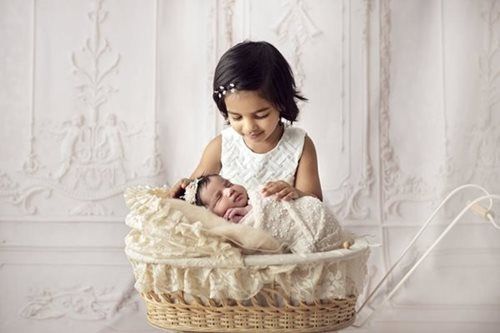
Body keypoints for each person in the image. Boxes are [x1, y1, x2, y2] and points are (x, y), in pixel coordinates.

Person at [168, 41, 322, 201]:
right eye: (237, 117)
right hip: (230, 226)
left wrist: (296, 194)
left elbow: (315, 203)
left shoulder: (300, 145)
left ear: (281, 103)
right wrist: (186, 188)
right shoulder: (221, 146)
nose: (249, 127)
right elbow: (195, 194)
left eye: (261, 115)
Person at [181, 174, 342, 254]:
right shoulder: (231, 226)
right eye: (219, 197)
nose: (229, 191)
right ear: (213, 215)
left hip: (314, 217)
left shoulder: (257, 194)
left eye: (228, 184)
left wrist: (250, 208)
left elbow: (273, 202)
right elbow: (253, 239)